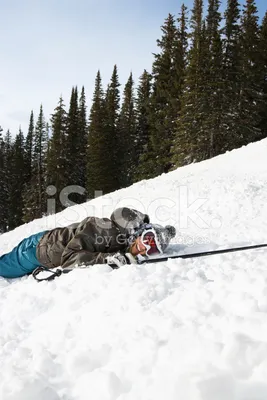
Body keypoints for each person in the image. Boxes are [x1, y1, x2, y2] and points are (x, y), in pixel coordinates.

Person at [0, 207, 176, 279]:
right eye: (148, 240)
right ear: (137, 232)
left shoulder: (125, 242)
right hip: (38, 249)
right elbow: (70, 257)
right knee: (3, 270)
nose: (146, 248)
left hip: (47, 249)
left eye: (153, 249)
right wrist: (108, 259)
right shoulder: (105, 230)